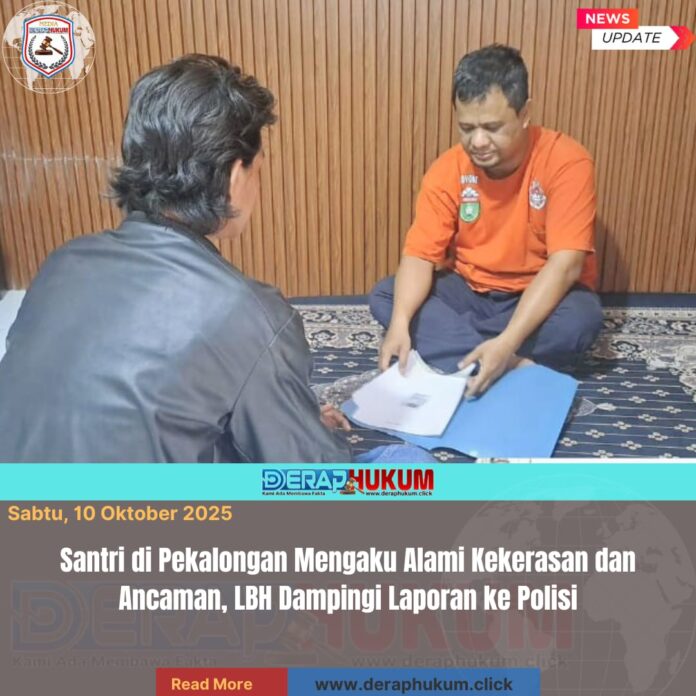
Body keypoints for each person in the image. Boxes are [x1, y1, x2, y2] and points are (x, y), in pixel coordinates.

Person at [0, 55, 367, 463]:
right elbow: (311, 477)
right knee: (398, 469)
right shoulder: (251, 316)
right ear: (235, 177)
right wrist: (315, 435)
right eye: (258, 170)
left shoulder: (63, 263)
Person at [369, 44, 604, 397]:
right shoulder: (447, 169)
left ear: (525, 113)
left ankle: (478, 353)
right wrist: (400, 324)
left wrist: (508, 340)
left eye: (492, 127)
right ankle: (510, 363)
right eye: (466, 128)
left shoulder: (567, 161)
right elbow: (419, 256)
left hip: (538, 293)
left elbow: (566, 266)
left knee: (580, 320)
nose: (478, 142)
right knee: (387, 297)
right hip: (469, 291)